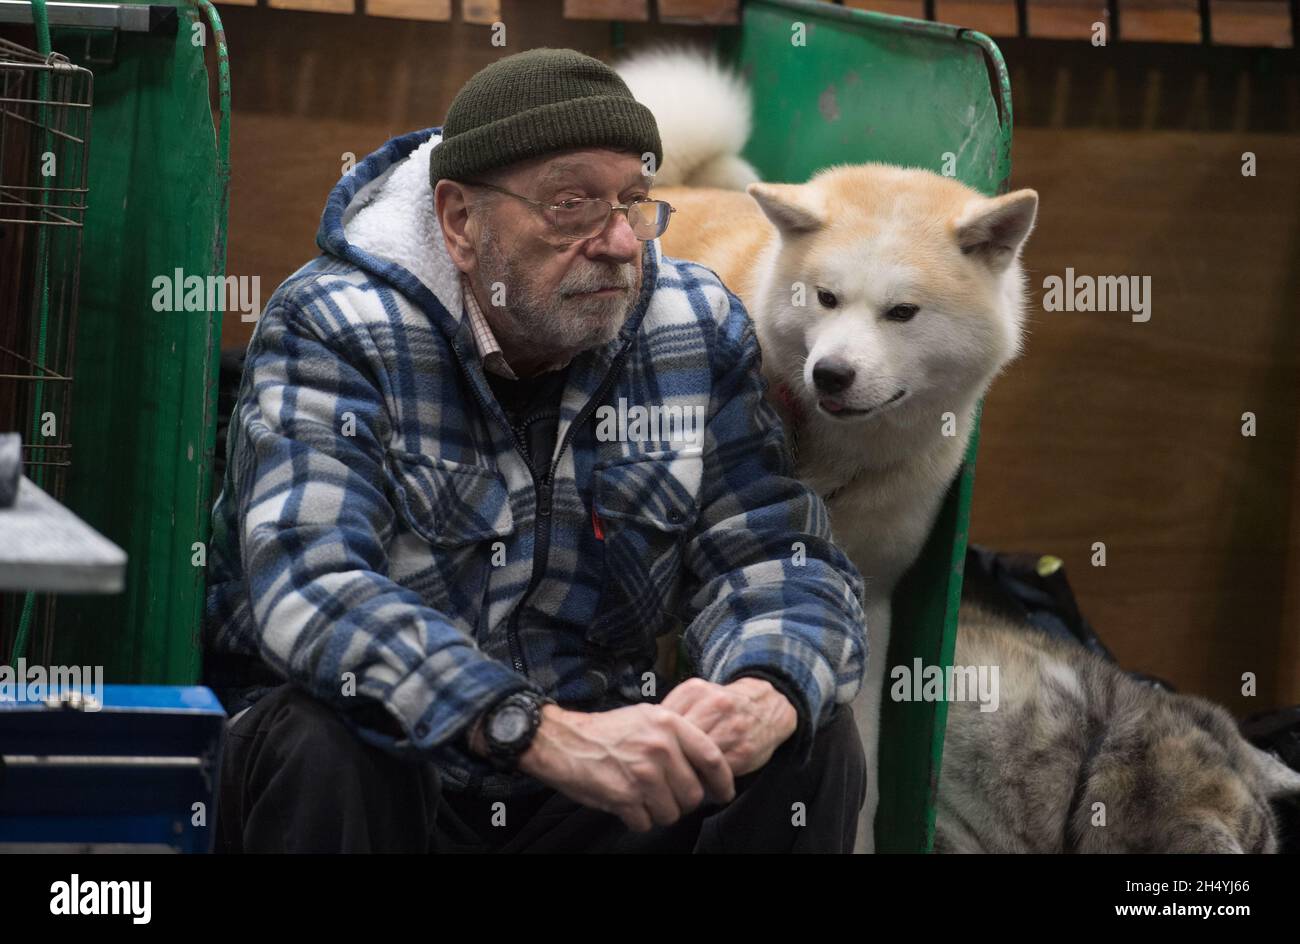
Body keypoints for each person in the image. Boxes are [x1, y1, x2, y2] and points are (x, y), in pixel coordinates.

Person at [204, 47, 867, 853]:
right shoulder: (338, 326)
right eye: (573, 205)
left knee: (811, 739)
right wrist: (527, 726)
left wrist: (766, 688)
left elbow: (772, 556)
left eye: (634, 201)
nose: (620, 241)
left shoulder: (689, 326)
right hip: (412, 775)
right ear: (460, 222)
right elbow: (313, 583)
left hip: (592, 789)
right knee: (323, 739)